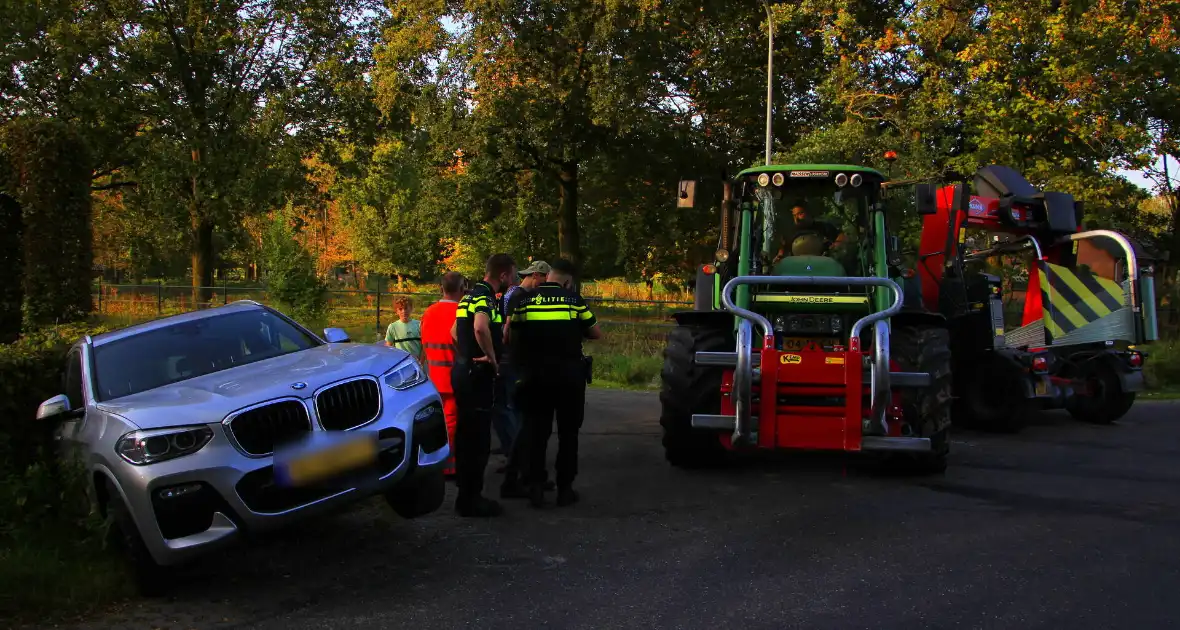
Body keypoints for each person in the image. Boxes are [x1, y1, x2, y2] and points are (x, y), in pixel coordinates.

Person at [507, 258, 602, 508]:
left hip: (535, 375)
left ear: (548, 276)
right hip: (569, 377)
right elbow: (595, 333)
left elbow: (511, 333)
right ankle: (565, 489)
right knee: (568, 434)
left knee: (538, 433)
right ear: (568, 281)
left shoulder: (524, 300)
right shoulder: (574, 301)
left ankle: (536, 488)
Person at [449, 253, 517, 517]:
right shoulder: (485, 297)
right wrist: (490, 357)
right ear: (503, 275)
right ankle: (471, 500)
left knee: (466, 435)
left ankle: (465, 494)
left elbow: (454, 332)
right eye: (513, 273)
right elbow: (480, 327)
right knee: (478, 439)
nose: (514, 278)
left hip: (463, 371)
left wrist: (464, 355)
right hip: (477, 376)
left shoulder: (467, 295)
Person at [420, 272, 466, 478]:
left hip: (434, 377)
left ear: (442, 289)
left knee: (442, 422)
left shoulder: (428, 312)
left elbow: (424, 344)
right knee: (453, 424)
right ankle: (449, 465)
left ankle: (444, 461)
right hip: (455, 377)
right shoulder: (461, 313)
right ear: (462, 288)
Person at [385, 297, 423, 361]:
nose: (404, 311)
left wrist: (421, 362)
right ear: (396, 311)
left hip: (417, 364)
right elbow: (388, 347)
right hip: (401, 364)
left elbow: (424, 347)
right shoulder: (393, 327)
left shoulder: (419, 325)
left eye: (406, 308)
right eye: (400, 309)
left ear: (411, 309)